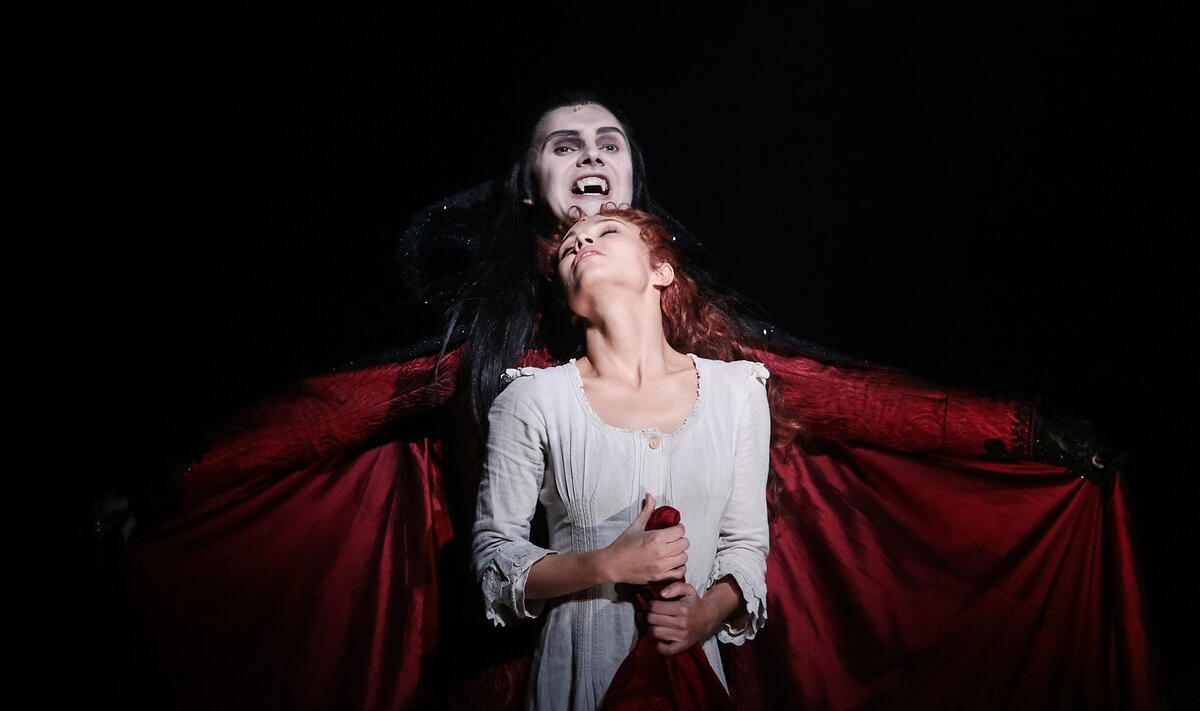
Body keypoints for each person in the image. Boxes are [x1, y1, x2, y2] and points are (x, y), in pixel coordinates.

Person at [109, 92, 1157, 710]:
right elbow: (324, 414)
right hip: (514, 673)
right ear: (531, 187)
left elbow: (842, 399)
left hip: (676, 671)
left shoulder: (710, 356)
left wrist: (1023, 432)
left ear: (639, 206)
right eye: (562, 143)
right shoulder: (494, 357)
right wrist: (168, 486)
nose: (588, 154)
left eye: (607, 141)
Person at [472, 207, 772, 709]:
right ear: (568, 302)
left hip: (690, 681)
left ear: (661, 271)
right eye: (568, 248)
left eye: (606, 231)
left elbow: (745, 545)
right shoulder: (533, 398)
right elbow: (495, 555)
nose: (581, 243)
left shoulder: (738, 392)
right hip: (577, 681)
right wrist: (607, 563)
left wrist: (705, 614)